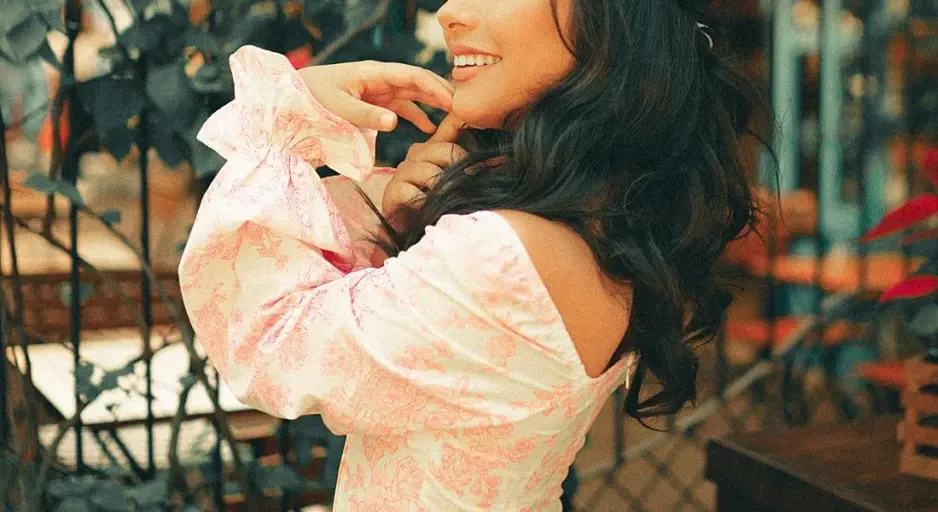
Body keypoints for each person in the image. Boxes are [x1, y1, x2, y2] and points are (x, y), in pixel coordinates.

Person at [178, 0, 768, 509]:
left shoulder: (503, 257)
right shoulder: (588, 226)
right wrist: (389, 206)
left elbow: (268, 339)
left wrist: (286, 116)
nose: (449, 13)